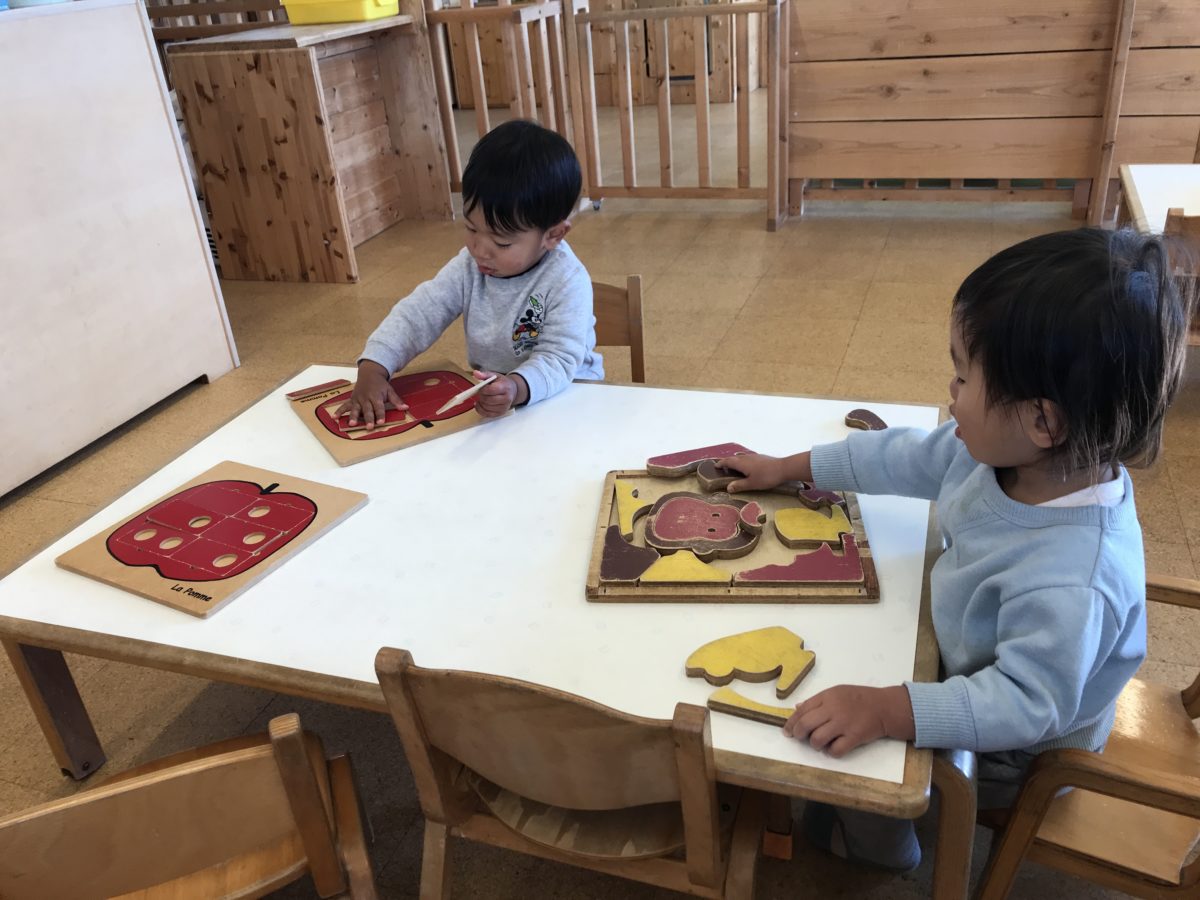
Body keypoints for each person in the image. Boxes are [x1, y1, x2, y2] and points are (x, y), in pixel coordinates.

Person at [718, 228, 1194, 870]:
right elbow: (907, 456)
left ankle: (883, 851)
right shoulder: (1010, 452)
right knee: (844, 668)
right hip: (966, 652)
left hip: (1021, 751)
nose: (950, 389)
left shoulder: (1073, 582)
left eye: (964, 375)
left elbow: (1023, 705)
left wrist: (888, 709)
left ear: (1043, 421)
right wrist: (792, 466)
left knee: (869, 753)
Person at [338, 119, 602, 426]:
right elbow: (419, 314)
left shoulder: (566, 280)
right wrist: (374, 367)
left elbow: (559, 358)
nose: (480, 250)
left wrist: (516, 387)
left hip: (567, 399)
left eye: (502, 242)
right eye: (471, 228)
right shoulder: (469, 266)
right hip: (496, 401)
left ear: (553, 235)